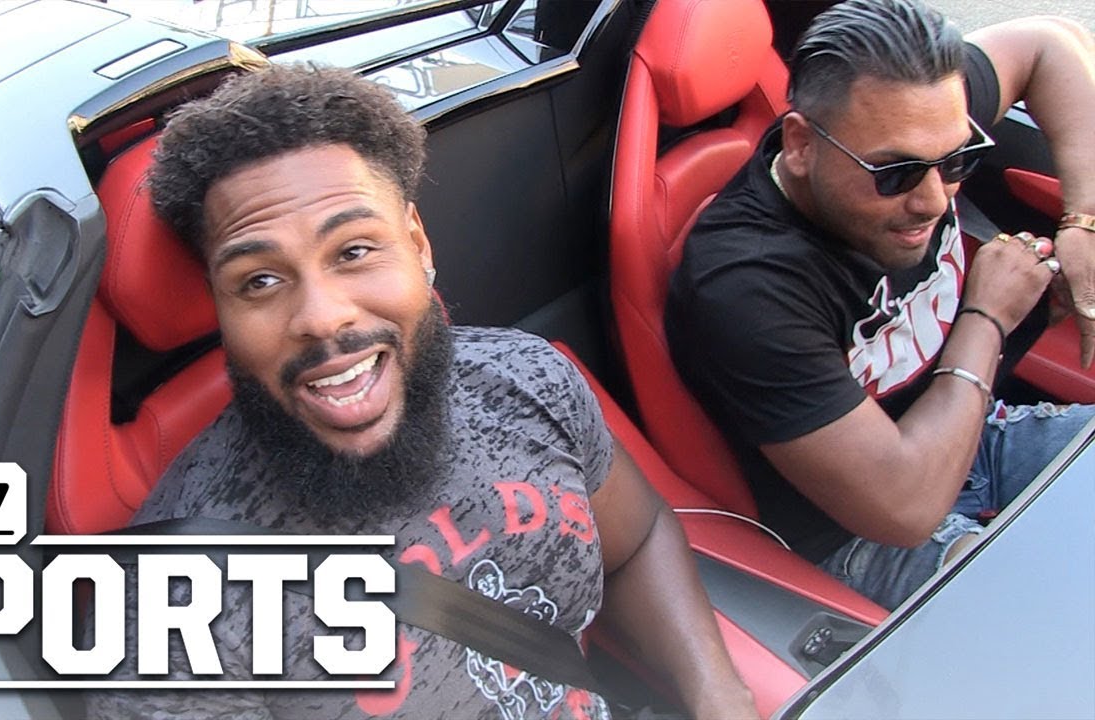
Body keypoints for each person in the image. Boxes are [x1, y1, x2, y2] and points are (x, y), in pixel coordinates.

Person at [86, 64, 757, 719]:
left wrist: (718, 695)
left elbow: (638, 538)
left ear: (416, 242)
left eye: (354, 251)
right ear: (220, 305)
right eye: (259, 281)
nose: (323, 317)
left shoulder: (527, 377)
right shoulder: (173, 609)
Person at [666, 0, 1095, 611]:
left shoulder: (914, 115)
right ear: (801, 145)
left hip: (971, 431)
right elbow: (905, 509)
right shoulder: (746, 285)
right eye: (896, 173)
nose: (935, 200)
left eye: (957, 160)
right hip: (856, 532)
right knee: (1041, 612)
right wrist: (987, 317)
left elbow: (1052, 44)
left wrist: (1083, 220)